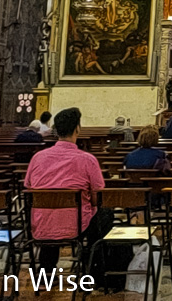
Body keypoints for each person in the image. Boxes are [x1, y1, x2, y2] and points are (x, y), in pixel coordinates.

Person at [24, 108, 122, 282]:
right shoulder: (87, 160)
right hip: (76, 227)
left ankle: (47, 269)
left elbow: (29, 187)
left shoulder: (37, 158)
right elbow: (97, 197)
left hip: (41, 225)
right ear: (78, 129)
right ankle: (93, 267)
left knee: (51, 214)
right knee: (104, 213)